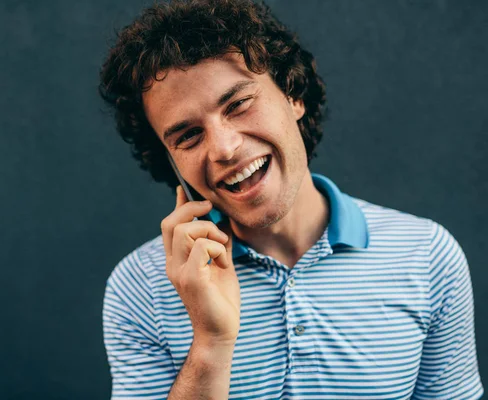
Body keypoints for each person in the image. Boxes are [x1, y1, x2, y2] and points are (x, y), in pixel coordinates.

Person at [99, 0, 483, 398]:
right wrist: (211, 344)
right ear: (171, 162)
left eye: (238, 105)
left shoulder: (428, 255)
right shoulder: (141, 287)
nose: (225, 149)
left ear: (293, 95)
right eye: (188, 136)